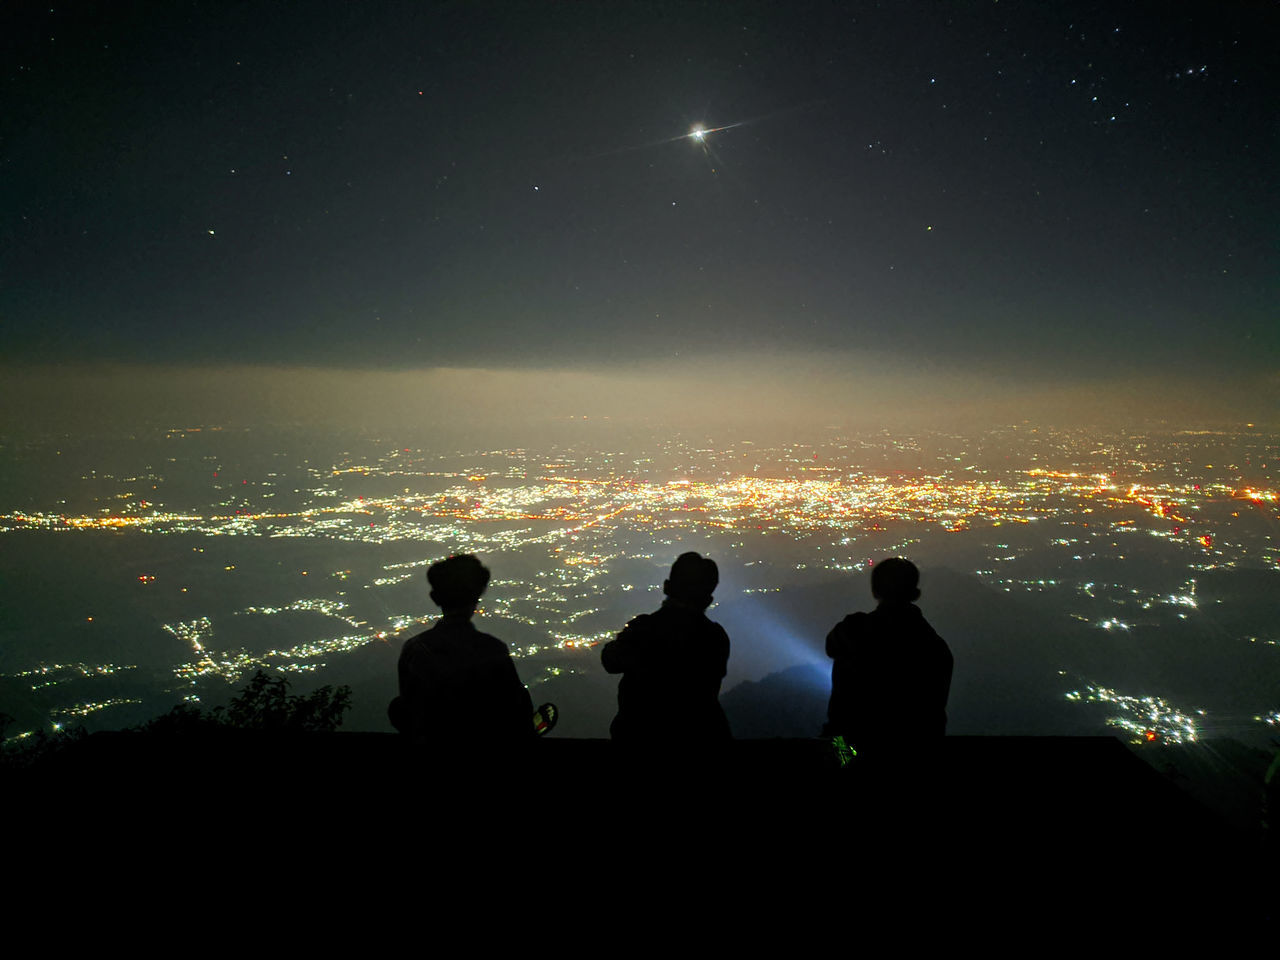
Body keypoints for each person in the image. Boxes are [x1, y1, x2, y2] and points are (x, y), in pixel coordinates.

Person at [388, 554, 533, 745]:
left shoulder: (415, 650)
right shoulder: (492, 650)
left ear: (435, 598)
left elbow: (408, 709)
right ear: (477, 597)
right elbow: (516, 711)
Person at [824, 557, 953, 751]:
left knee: (837, 742)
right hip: (916, 750)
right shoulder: (935, 647)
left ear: (875, 591)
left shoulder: (853, 629)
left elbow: (831, 647)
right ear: (915, 593)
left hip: (851, 748)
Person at [601, 552, 731, 742]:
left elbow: (610, 662)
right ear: (708, 599)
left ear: (667, 586)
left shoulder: (643, 630)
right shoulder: (715, 637)